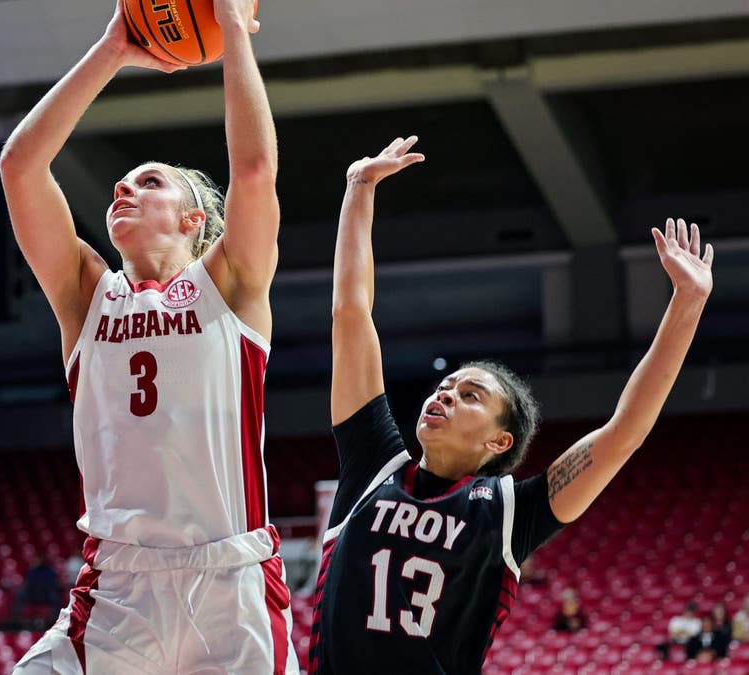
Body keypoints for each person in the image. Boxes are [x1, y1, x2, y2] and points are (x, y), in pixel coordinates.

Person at [307, 136, 716, 674]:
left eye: (470, 395)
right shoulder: (372, 462)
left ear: (499, 441)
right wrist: (358, 187)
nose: (445, 393)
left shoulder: (507, 513)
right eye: (446, 386)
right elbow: (352, 315)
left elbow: (624, 434)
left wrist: (687, 306)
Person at [0, 1, 297, 671]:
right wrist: (112, 47)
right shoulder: (86, 291)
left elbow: (253, 172)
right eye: (123, 182)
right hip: (119, 588)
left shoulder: (233, 282)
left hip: (231, 579)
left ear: (193, 218)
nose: (122, 186)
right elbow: (20, 166)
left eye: (149, 181)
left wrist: (228, 26)